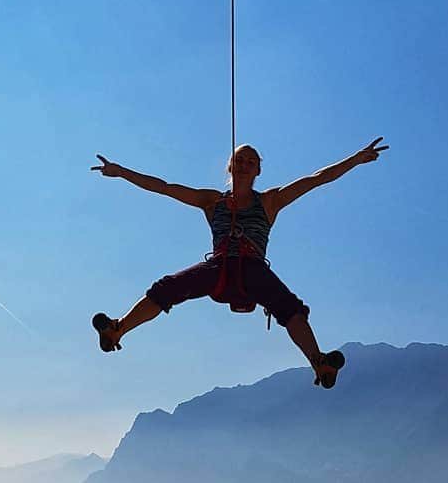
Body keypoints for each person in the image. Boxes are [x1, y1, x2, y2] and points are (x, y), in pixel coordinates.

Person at [90, 138, 389, 388]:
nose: (245, 164)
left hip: (253, 269)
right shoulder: (211, 201)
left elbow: (316, 179)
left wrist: (356, 159)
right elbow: (164, 187)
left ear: (258, 169)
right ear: (230, 167)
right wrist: (121, 172)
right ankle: (117, 329)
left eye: (251, 161)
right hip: (218, 267)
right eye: (240, 160)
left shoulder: (270, 201)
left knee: (291, 308)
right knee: (167, 287)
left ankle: (319, 363)